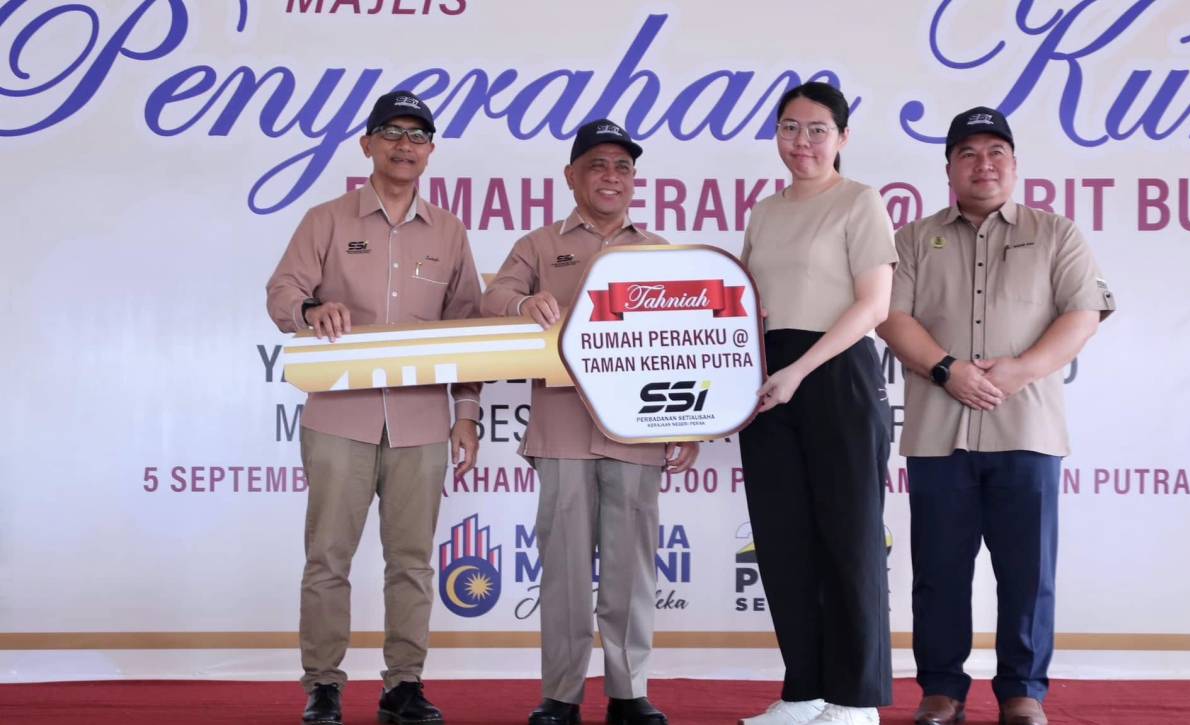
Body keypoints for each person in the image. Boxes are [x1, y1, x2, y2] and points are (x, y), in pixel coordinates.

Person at [876, 107, 1116, 725]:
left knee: (1027, 572)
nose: (983, 165)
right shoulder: (912, 239)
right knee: (939, 571)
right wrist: (946, 369)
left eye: (995, 153)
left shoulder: (1056, 233)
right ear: (949, 168)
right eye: (968, 153)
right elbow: (891, 317)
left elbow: (1082, 314)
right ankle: (941, 690)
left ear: (1013, 165)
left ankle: (1022, 692)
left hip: (1026, 429)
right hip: (938, 432)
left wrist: (1022, 369)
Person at [266, 89, 483, 725]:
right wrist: (310, 309)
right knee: (328, 559)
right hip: (340, 417)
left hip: (421, 422)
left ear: (431, 151)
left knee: (412, 563)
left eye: (417, 136)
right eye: (392, 132)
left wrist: (466, 413)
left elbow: (469, 331)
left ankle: (403, 685)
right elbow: (282, 291)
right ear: (367, 144)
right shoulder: (326, 220)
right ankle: (323, 686)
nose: (404, 145)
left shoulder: (449, 231)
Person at [481, 119, 699, 725]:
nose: (611, 176)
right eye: (597, 165)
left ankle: (629, 693)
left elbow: (687, 341)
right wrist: (522, 302)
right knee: (565, 571)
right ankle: (561, 695)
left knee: (631, 570)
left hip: (638, 430)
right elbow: (493, 298)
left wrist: (687, 423)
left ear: (634, 181)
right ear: (571, 176)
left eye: (623, 167)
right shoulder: (538, 244)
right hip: (563, 430)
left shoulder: (658, 251)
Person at [737, 81, 896, 725]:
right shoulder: (764, 212)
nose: (801, 142)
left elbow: (874, 305)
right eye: (789, 128)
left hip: (834, 373)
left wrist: (799, 370)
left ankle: (855, 700)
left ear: (842, 137)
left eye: (816, 129)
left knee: (849, 538)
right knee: (784, 540)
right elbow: (743, 304)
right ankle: (804, 690)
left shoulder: (860, 201)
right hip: (769, 380)